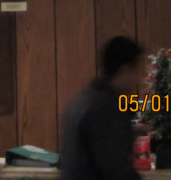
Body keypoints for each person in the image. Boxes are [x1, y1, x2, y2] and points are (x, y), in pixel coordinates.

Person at [60, 36, 144, 180]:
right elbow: (115, 167)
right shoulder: (107, 108)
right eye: (136, 71)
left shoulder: (80, 101)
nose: (137, 78)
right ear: (125, 70)